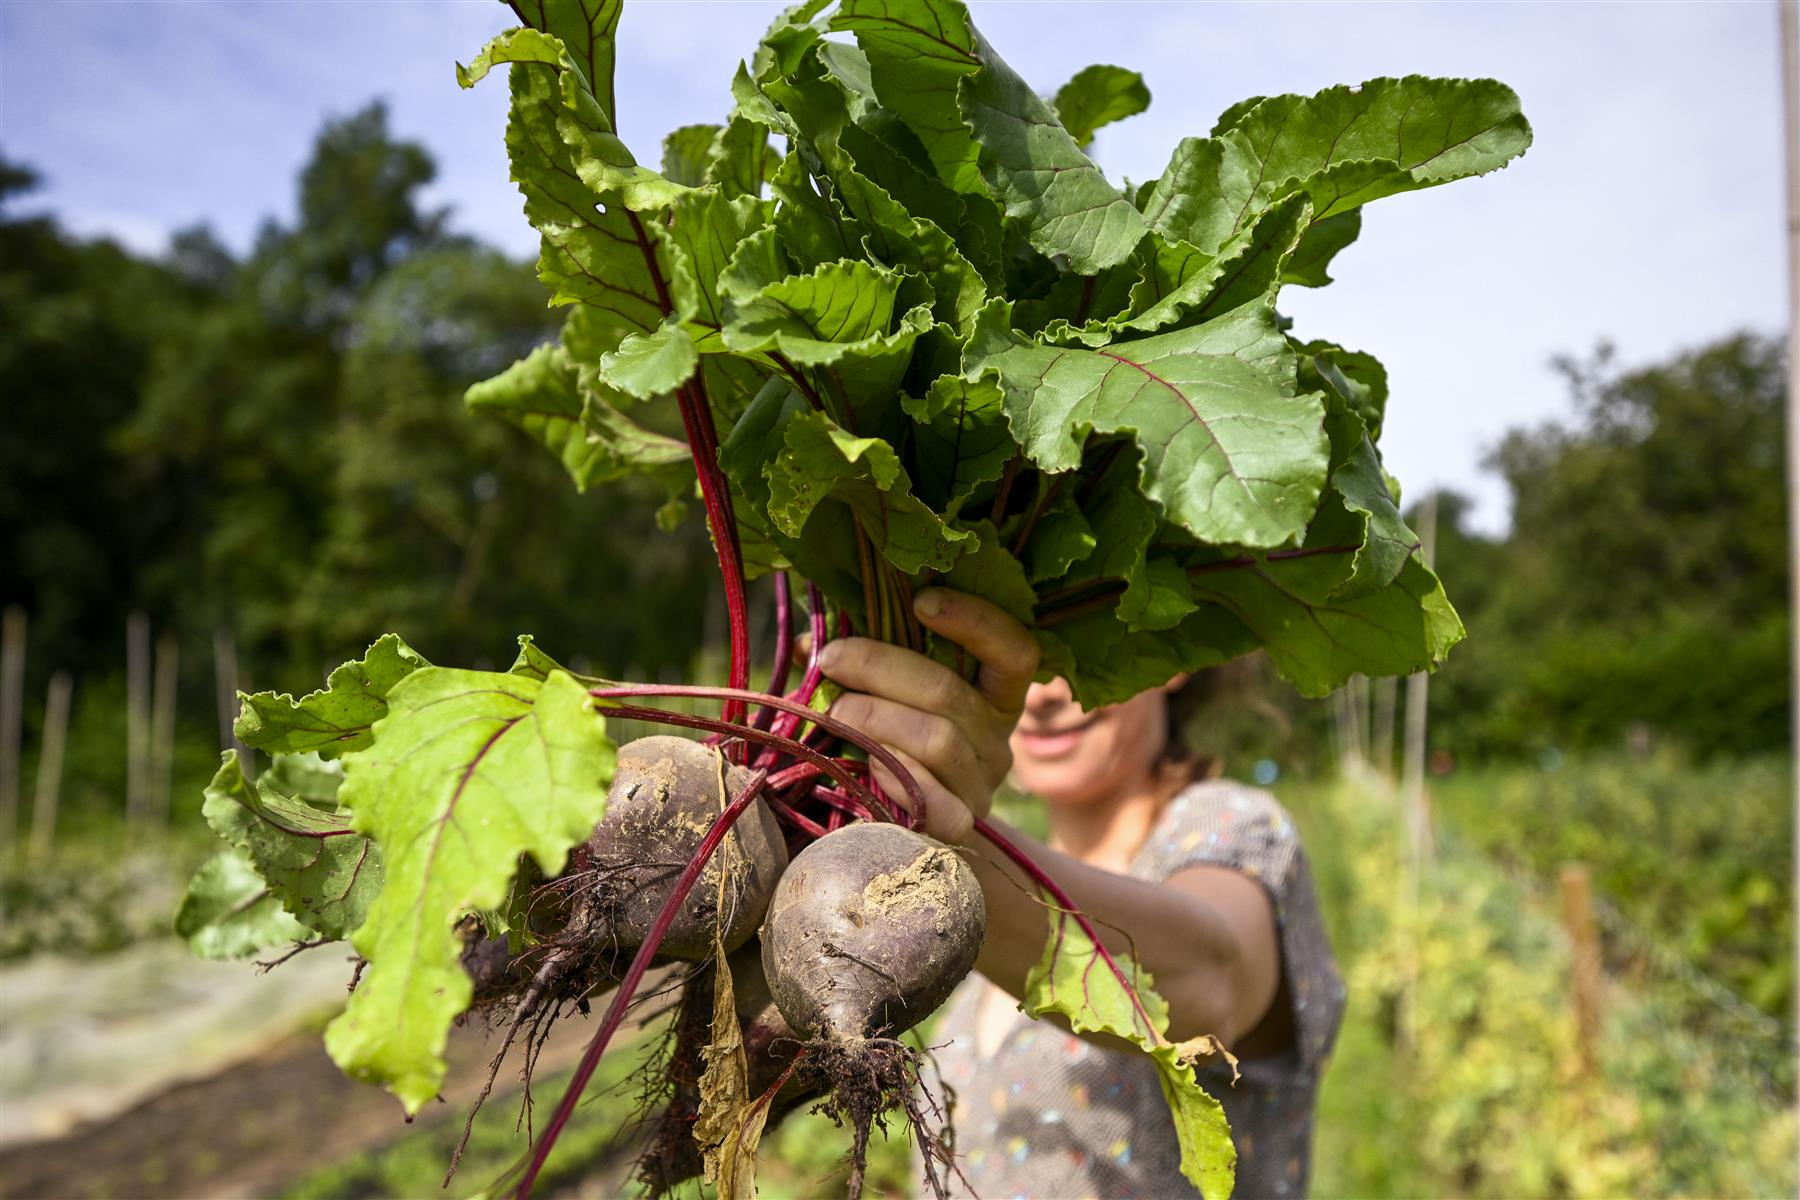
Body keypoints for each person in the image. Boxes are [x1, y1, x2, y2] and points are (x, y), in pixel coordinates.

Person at [818, 587, 1346, 1199]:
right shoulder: (981, 935)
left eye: (1073, 651)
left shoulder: (1230, 830)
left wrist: (937, 841)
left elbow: (1209, 983)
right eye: (1023, 660)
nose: (1043, 695)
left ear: (1169, 651)